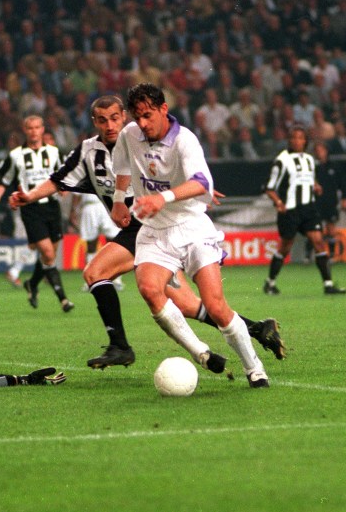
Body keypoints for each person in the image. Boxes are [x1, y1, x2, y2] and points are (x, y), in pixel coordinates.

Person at [11, 95, 285, 369]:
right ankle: (257, 329)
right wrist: (30, 196)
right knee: (188, 305)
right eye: (102, 120)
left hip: (148, 225)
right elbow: (57, 179)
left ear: (124, 117)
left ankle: (120, 346)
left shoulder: (138, 141)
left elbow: (173, 170)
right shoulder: (87, 152)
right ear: (94, 122)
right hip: (146, 232)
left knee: (95, 273)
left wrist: (197, 193)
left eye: (115, 118)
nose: (110, 125)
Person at [110, 83, 271, 388]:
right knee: (148, 288)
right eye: (137, 117)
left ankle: (255, 368)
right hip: (156, 231)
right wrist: (119, 200)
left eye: (148, 115)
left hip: (191, 227)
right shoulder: (130, 135)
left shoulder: (185, 140)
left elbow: (202, 183)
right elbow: (121, 167)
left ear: (163, 109)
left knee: (215, 306)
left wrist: (163, 198)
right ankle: (202, 353)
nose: (142, 123)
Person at [0, 115, 73, 312]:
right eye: (30, 128)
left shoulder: (53, 152)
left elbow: (62, 176)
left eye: (37, 127)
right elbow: (4, 178)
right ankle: (63, 299)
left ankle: (32, 284)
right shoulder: (16, 155)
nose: (34, 131)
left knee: (47, 256)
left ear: (43, 129)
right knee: (48, 254)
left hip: (52, 207)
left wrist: (63, 187)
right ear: (24, 130)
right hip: (31, 209)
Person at [262, 127, 346, 296]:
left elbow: (309, 177)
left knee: (318, 242)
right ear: (289, 140)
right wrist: (278, 202)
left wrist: (315, 185)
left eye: (300, 138)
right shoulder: (282, 160)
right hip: (290, 210)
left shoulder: (309, 159)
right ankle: (270, 283)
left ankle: (328, 284)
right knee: (285, 247)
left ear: (305, 141)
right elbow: (269, 187)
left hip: (309, 208)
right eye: (293, 137)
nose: (296, 140)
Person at [69, 192, 125, 292]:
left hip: (107, 204)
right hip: (89, 206)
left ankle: (116, 280)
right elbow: (76, 193)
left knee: (113, 243)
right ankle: (90, 280)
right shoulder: (83, 175)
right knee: (90, 245)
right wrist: (73, 210)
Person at [312, 142, 346, 259]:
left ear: (326, 151)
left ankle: (332, 254)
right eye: (317, 150)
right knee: (315, 229)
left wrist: (344, 198)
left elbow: (342, 184)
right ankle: (311, 254)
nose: (319, 152)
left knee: (331, 228)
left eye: (321, 150)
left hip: (330, 202)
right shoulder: (313, 168)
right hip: (316, 203)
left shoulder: (334, 167)